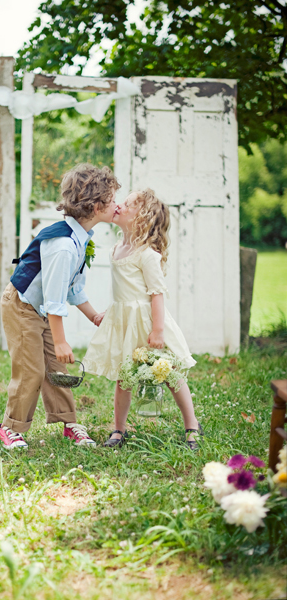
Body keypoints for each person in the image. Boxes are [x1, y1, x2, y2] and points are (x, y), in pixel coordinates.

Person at [0, 163, 120, 449]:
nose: (117, 204)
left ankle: (68, 422)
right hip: (22, 306)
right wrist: (61, 340)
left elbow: (72, 287)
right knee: (33, 370)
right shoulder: (63, 245)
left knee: (58, 368)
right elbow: (54, 298)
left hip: (43, 309)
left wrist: (94, 316)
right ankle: (10, 427)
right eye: (112, 199)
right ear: (96, 205)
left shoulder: (81, 238)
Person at [84, 189, 202, 450]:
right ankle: (119, 429)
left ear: (142, 218)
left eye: (126, 205)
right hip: (125, 321)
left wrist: (158, 330)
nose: (119, 206)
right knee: (124, 375)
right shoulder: (118, 249)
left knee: (169, 373)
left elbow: (156, 293)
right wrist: (111, 311)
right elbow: (124, 291)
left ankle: (192, 425)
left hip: (148, 323)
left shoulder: (147, 254)